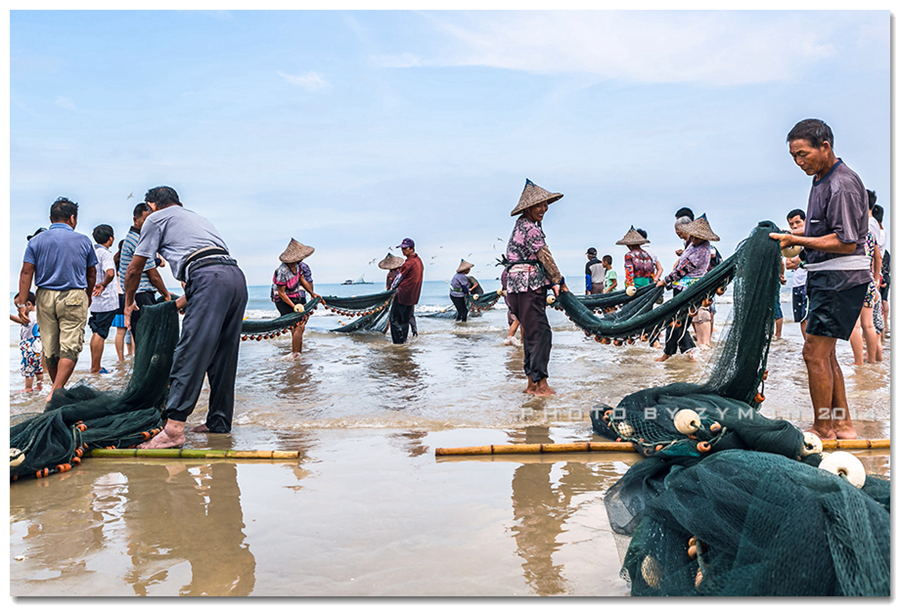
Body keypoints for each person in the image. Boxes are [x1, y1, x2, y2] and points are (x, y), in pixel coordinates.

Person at [126, 186, 248, 449]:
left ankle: (173, 429)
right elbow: (205, 263)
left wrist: (128, 304)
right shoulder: (198, 219)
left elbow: (135, 268)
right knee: (223, 354)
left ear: (152, 205)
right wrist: (183, 301)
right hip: (235, 278)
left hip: (209, 278)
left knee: (189, 350)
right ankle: (218, 421)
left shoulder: (155, 218)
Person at [770, 119, 869, 440]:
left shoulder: (841, 184)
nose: (799, 162)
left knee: (813, 353)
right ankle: (842, 424)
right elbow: (823, 229)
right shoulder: (821, 179)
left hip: (840, 279)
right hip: (827, 278)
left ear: (825, 147)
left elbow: (846, 241)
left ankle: (823, 427)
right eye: (793, 157)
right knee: (822, 354)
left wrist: (798, 239)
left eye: (803, 154)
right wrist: (797, 235)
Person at [16, 197, 97, 401]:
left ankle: (56, 389)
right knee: (70, 345)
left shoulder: (35, 241)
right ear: (72, 218)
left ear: (50, 218)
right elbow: (91, 274)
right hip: (74, 295)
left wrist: (22, 304)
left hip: (44, 297)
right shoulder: (84, 240)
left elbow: (26, 272)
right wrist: (87, 296)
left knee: (50, 347)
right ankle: (56, 391)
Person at [504, 179, 567, 396]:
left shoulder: (519, 226)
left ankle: (531, 384)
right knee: (541, 333)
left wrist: (552, 282)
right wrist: (559, 281)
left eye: (545, 204)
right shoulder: (531, 229)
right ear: (528, 208)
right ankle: (541, 386)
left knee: (530, 334)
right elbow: (545, 258)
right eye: (539, 206)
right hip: (528, 286)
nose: (544, 209)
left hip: (514, 287)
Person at [656, 214, 717, 360]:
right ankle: (689, 352)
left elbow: (684, 270)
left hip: (689, 290)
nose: (692, 240)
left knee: (677, 322)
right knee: (679, 321)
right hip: (681, 288)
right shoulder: (693, 245)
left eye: (696, 237)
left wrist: (665, 280)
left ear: (703, 237)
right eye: (692, 236)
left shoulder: (702, 249)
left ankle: (667, 353)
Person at [118, 202, 171, 347]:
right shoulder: (138, 241)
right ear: (135, 220)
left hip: (134, 296)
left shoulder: (132, 238)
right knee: (149, 342)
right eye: (145, 220)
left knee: (143, 340)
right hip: (140, 296)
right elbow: (153, 275)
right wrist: (166, 295)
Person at [271, 239, 318, 355]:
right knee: (298, 326)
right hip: (282, 300)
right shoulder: (282, 271)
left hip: (294, 296)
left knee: (299, 327)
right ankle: (296, 355)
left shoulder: (298, 267)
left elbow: (303, 280)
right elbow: (281, 293)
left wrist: (313, 294)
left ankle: (296, 353)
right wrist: (294, 306)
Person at [88, 224, 119, 374]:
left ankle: (94, 365)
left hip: (94, 300)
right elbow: (111, 273)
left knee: (96, 331)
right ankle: (96, 367)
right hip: (106, 300)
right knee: (101, 332)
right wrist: (103, 285)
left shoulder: (92, 252)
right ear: (110, 238)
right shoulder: (105, 254)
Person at [389, 238, 424, 344]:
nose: (403, 251)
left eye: (405, 248)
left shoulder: (408, 263)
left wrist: (391, 289)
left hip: (402, 295)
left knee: (394, 320)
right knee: (405, 320)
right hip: (412, 296)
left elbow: (398, 278)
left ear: (411, 248)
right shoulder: (418, 261)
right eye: (402, 249)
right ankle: (403, 341)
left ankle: (397, 343)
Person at [10, 292, 43, 392]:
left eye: (19, 307)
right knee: (38, 368)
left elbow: (22, 321)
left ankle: (28, 388)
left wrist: (9, 316)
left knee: (28, 368)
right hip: (38, 345)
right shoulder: (38, 314)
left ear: (28, 305)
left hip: (29, 346)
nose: (17, 310)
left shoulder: (28, 316)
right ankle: (39, 386)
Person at [784, 209, 809, 339]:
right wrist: (800, 260)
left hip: (808, 281)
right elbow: (788, 264)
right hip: (796, 283)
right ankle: (807, 346)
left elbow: (803, 258)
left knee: (808, 318)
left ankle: (812, 348)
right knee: (800, 318)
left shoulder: (809, 238)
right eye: (791, 224)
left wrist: (799, 260)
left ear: (805, 221)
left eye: (797, 222)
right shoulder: (791, 241)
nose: (794, 226)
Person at [111, 239, 133, 361]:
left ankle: (121, 358)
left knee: (120, 331)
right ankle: (135, 357)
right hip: (129, 296)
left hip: (117, 298)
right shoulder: (130, 261)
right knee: (134, 331)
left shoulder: (115, 261)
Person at [500, 266, 521, 345]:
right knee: (520, 320)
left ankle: (509, 339)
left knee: (517, 320)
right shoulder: (516, 270)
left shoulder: (505, 272)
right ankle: (521, 341)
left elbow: (504, 286)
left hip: (509, 298)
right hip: (517, 297)